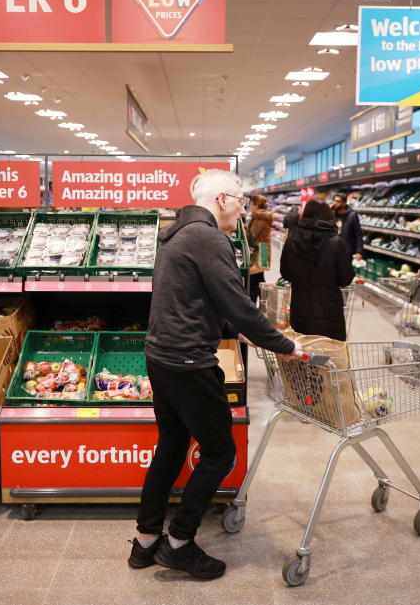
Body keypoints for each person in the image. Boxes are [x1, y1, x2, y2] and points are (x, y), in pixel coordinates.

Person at [129, 169, 299, 580]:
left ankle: (146, 541)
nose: (243, 208)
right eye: (240, 200)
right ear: (222, 199)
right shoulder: (209, 238)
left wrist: (236, 330)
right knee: (221, 451)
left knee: (170, 446)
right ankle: (180, 543)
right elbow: (237, 302)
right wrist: (286, 345)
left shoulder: (175, 233)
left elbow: (192, 300)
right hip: (189, 361)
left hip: (161, 356)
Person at [280, 198, 355, 341]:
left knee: (302, 354)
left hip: (300, 309)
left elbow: (286, 273)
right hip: (330, 314)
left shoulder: (292, 240)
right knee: (329, 355)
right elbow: (346, 279)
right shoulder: (337, 243)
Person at [246, 194, 273, 303]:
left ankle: (256, 302)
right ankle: (262, 301)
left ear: (256, 205)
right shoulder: (261, 216)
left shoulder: (259, 218)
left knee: (255, 276)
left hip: (260, 250)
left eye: (252, 204)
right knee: (259, 276)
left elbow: (252, 235)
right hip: (264, 249)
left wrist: (245, 232)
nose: (250, 206)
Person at [332, 192, 363, 260]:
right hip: (333, 249)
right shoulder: (332, 214)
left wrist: (359, 251)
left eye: (338, 201)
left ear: (344, 203)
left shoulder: (352, 215)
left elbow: (358, 234)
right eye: (334, 201)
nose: (335, 203)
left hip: (346, 250)